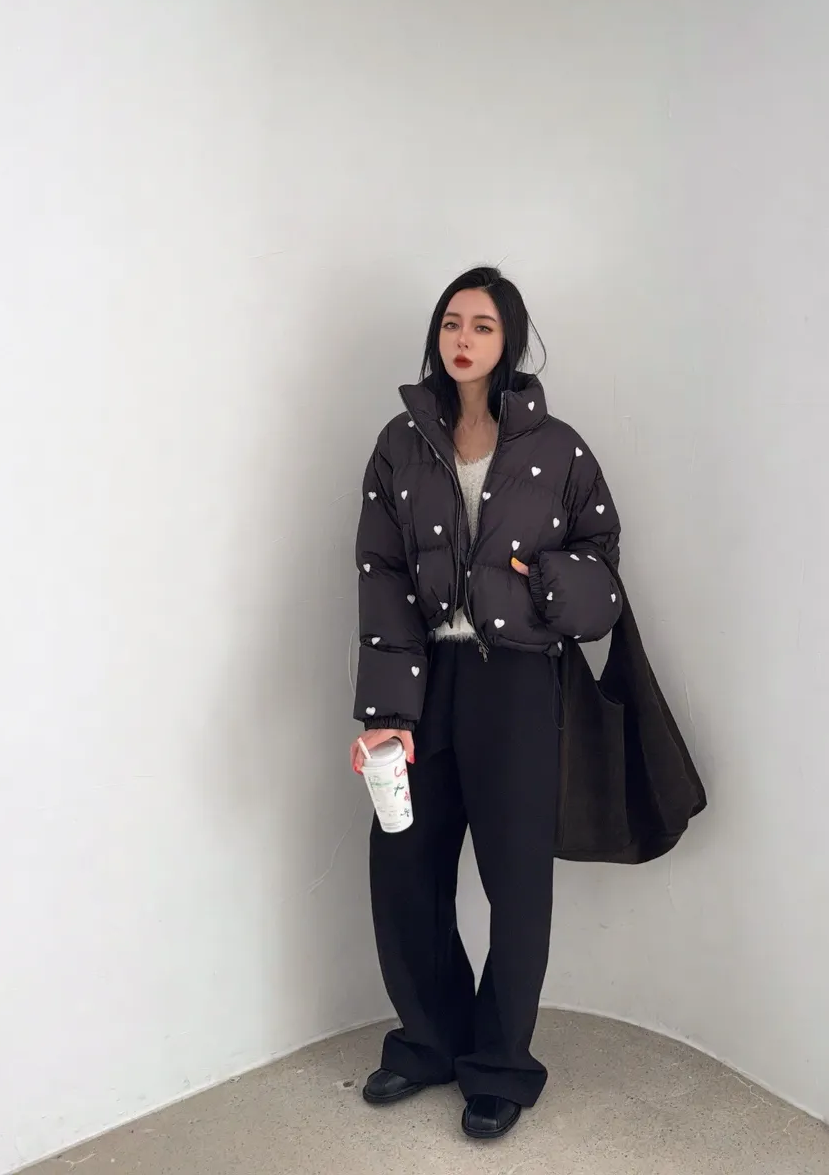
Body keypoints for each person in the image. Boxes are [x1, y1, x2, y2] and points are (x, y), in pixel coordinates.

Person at [349, 265, 622, 1141]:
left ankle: (501, 1063)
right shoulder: (400, 443)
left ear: (510, 341)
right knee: (405, 864)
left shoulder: (559, 448)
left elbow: (604, 568)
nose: (463, 339)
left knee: (516, 881)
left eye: (483, 326)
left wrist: (543, 581)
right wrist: (385, 713)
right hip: (426, 676)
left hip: (518, 681)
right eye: (452, 323)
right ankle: (430, 1041)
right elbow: (382, 574)